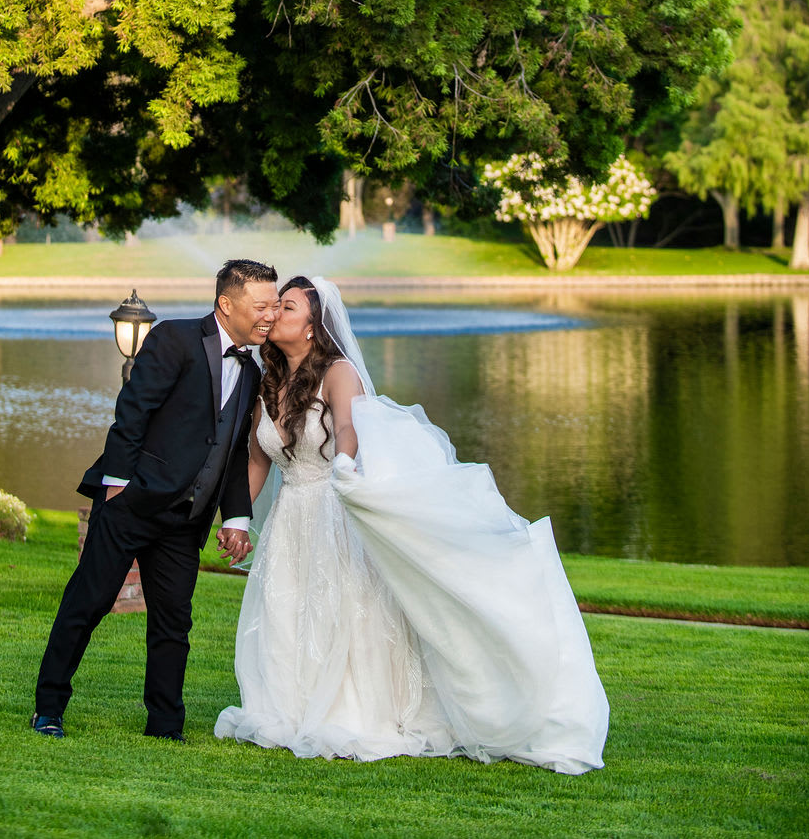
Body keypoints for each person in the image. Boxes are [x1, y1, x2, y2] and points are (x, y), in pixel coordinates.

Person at [215, 276, 610, 774]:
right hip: (290, 517)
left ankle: (353, 713)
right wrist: (238, 518)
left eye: (286, 306)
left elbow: (348, 428)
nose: (273, 314)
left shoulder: (338, 372)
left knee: (344, 612)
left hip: (335, 511)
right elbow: (257, 458)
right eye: (272, 306)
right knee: (287, 609)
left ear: (313, 326)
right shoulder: (266, 382)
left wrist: (345, 465)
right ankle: (287, 710)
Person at [32, 259, 279, 740]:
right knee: (88, 603)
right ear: (227, 305)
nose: (270, 313)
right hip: (132, 504)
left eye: (274, 304)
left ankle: (165, 726)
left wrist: (238, 517)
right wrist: (119, 484)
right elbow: (133, 410)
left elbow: (230, 451)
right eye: (262, 304)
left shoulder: (253, 368)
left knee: (173, 624)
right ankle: (48, 708)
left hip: (186, 521)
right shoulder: (174, 339)